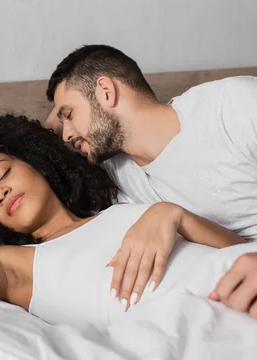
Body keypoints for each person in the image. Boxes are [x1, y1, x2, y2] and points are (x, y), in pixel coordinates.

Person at [0, 115, 246, 323]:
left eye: (2, 173)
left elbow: (239, 252)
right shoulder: (13, 266)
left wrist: (171, 214)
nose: (0, 193)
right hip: (213, 322)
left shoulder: (125, 210)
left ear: (36, 164)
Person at [43, 45, 257, 318]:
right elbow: (38, 146)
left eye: (69, 114)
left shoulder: (231, 107)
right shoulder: (118, 176)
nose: (66, 134)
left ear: (106, 91)